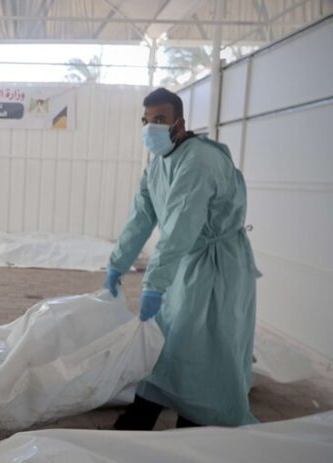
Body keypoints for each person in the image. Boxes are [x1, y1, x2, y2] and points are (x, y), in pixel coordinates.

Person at [105, 88, 260, 430]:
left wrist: (153, 283)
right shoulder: (157, 166)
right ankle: (139, 419)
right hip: (184, 264)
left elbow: (179, 226)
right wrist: (118, 263)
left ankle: (193, 428)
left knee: (199, 349)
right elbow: (141, 216)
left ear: (180, 122)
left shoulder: (199, 160)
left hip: (215, 266)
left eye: (160, 119)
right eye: (146, 121)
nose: (151, 128)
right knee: (165, 344)